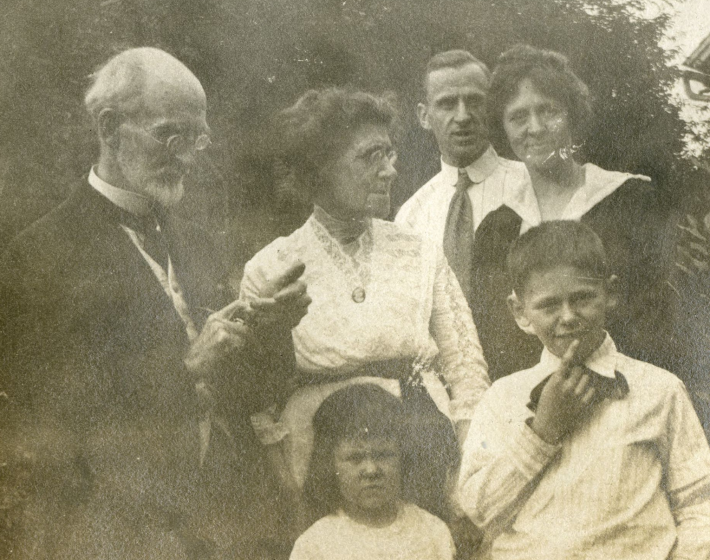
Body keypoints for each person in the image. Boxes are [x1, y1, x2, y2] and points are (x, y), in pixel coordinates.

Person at [0, 47, 310, 559]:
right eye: (171, 135)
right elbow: (53, 419)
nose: (188, 156)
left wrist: (271, 328)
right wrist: (187, 367)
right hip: (120, 525)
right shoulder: (39, 253)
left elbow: (251, 394)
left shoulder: (196, 238)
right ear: (108, 126)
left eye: (197, 138)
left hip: (226, 515)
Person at [240, 88, 490, 524]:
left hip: (420, 447)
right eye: (371, 156)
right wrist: (288, 487)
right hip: (320, 462)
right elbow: (258, 396)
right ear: (318, 168)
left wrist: (465, 467)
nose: (390, 171)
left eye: (390, 154)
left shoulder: (419, 252)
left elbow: (465, 368)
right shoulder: (272, 265)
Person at [458, 221, 710, 560]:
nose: (568, 317)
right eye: (548, 305)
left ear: (611, 294)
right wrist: (542, 432)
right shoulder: (502, 399)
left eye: (582, 298)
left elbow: (699, 504)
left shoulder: (660, 390)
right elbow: (480, 510)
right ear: (520, 312)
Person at [468, 44, 669, 380]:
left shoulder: (632, 200)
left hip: (627, 392)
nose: (535, 128)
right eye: (518, 117)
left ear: (572, 116)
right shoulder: (496, 228)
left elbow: (659, 322)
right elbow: (494, 340)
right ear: (502, 128)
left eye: (548, 111)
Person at [395, 49, 529, 309]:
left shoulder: (532, 186)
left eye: (474, 101)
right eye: (447, 104)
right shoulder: (411, 215)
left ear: (492, 108)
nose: (463, 116)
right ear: (424, 116)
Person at [290, 384, 455, 560]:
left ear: (403, 458)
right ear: (330, 465)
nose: (371, 470)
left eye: (383, 455)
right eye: (355, 458)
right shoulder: (314, 545)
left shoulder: (432, 531)